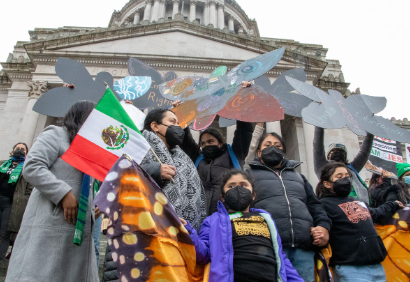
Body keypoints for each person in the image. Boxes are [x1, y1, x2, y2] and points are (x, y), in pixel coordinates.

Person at [5, 101, 99, 282]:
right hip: (52, 220)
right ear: (82, 116)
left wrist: (97, 203)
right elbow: (32, 166)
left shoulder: (89, 147)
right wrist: (63, 194)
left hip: (78, 228)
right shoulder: (55, 134)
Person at [182, 169, 304, 282]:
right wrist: (188, 230)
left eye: (243, 185)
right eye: (231, 186)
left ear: (253, 195)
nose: (237, 189)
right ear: (223, 197)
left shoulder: (266, 218)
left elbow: (280, 257)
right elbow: (203, 254)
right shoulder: (213, 221)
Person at [247, 132, 331, 282]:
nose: (273, 148)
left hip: (302, 249)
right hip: (266, 248)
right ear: (259, 152)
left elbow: (315, 206)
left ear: (283, 152)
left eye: (277, 146)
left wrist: (324, 227)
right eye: (267, 145)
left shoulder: (299, 177)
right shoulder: (248, 176)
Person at [316, 162, 404, 282]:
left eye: (347, 176)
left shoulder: (357, 201)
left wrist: (392, 205)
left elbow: (376, 213)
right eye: (339, 177)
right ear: (326, 184)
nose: (345, 179)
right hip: (350, 268)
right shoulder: (322, 205)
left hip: (376, 265)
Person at [313, 127, 374, 205]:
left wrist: (371, 130)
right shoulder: (323, 167)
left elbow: (364, 152)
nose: (338, 152)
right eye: (334, 151)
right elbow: (318, 145)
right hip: (335, 206)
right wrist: (319, 124)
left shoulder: (352, 168)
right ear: (328, 156)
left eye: (342, 152)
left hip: (359, 207)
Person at [0, 143, 33, 261]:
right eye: (17, 149)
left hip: (11, 204)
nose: (19, 150)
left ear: (27, 153)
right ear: (12, 151)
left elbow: (30, 188)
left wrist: (23, 199)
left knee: (4, 232)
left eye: (22, 149)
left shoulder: (27, 168)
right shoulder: (3, 165)